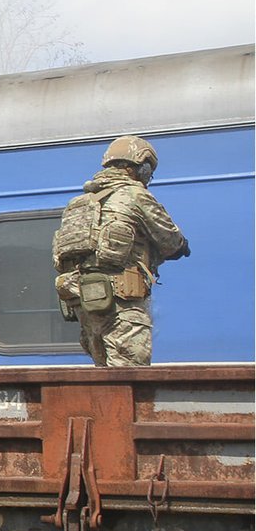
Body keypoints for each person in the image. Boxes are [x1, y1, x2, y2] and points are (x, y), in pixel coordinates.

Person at [52, 135, 189, 367]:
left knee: (104, 376)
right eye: (148, 170)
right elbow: (171, 241)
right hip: (122, 305)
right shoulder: (135, 195)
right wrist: (183, 246)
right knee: (130, 377)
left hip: (86, 304)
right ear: (138, 167)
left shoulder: (79, 203)